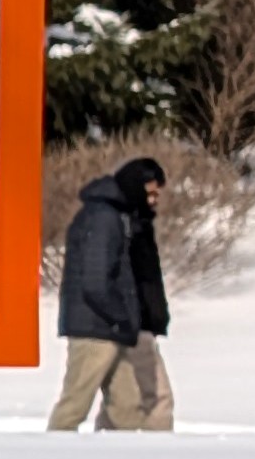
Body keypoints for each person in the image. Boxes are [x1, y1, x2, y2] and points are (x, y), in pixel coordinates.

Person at [48, 150, 173, 431]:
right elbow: (96, 281)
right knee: (74, 405)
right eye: (149, 193)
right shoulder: (103, 218)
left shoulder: (121, 216)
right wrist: (121, 316)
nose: (153, 202)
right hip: (95, 329)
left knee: (127, 409)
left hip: (112, 329)